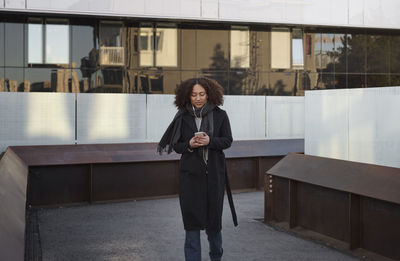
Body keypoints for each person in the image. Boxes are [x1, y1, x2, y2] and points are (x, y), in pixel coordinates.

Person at [158, 77, 237, 261]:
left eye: (201, 94)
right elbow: (176, 145)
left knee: (214, 226)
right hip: (190, 179)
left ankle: (216, 257)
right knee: (192, 225)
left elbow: (227, 140)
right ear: (188, 96)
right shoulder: (182, 116)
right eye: (194, 95)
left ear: (209, 94)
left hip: (214, 179)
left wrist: (210, 141)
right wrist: (190, 144)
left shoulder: (220, 115)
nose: (198, 98)